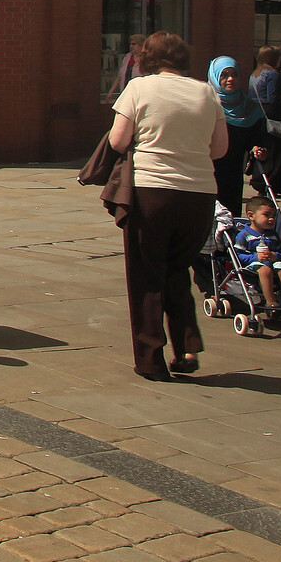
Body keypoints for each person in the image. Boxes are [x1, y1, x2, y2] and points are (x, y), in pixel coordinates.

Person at [108, 31, 227, 380]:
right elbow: (219, 149)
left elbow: (118, 140)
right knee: (178, 270)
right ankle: (187, 348)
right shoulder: (207, 92)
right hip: (200, 195)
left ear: (147, 58)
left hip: (151, 193)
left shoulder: (140, 89)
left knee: (147, 275)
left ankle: (150, 359)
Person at [208, 58, 267, 211]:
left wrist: (257, 150)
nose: (230, 79)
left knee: (231, 216)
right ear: (214, 77)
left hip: (233, 174)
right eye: (224, 75)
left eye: (234, 74)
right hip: (207, 172)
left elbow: (256, 139)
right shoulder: (206, 104)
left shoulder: (249, 108)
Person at [232, 202, 281, 310]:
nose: (271, 219)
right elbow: (239, 255)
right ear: (251, 216)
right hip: (254, 264)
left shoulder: (273, 235)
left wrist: (276, 255)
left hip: (274, 262)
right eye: (267, 215)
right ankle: (271, 302)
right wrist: (256, 257)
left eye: (273, 216)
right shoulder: (244, 235)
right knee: (265, 271)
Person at [249, 46, 281, 195]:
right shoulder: (273, 75)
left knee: (264, 152)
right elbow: (273, 99)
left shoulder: (254, 75)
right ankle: (270, 184)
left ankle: (263, 182)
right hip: (273, 119)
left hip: (258, 118)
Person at [104, 34, 146, 104]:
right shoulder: (127, 58)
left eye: (134, 44)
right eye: (130, 44)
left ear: (141, 45)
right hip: (125, 93)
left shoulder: (146, 60)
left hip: (140, 95)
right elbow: (119, 77)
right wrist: (111, 92)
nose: (131, 46)